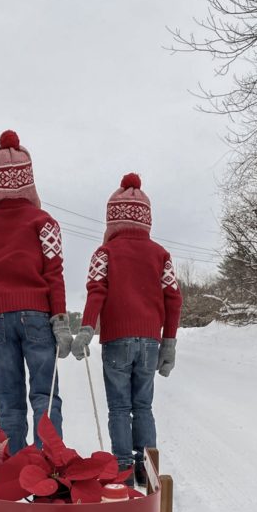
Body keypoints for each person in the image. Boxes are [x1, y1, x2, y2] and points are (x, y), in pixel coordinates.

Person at [72, 173, 182, 485]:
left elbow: (97, 292)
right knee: (143, 406)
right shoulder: (161, 255)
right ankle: (147, 469)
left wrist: (86, 330)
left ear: (113, 220)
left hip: (117, 341)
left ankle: (121, 472)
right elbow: (173, 298)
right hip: (149, 342)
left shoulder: (104, 254)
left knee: (119, 408)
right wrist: (169, 341)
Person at [0, 130, 71, 453]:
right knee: (44, 395)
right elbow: (54, 273)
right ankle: (50, 470)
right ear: (29, 181)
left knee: (9, 403)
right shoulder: (44, 222)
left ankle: (13, 476)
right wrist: (59, 318)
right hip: (38, 317)